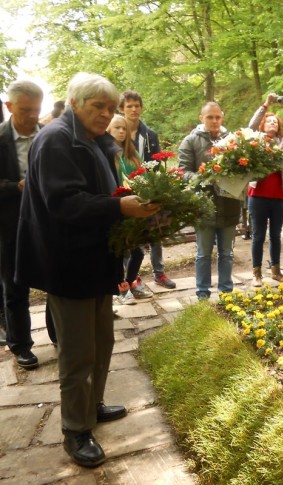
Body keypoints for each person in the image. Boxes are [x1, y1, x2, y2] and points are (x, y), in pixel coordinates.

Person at [16, 72, 158, 467]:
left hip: (95, 258)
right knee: (77, 353)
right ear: (75, 103)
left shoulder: (93, 140)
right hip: (68, 263)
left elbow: (103, 191)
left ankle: (92, 406)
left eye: (111, 108)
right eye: (99, 106)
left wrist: (133, 201)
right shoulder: (56, 140)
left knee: (102, 341)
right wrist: (120, 207)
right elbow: (65, 204)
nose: (106, 114)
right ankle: (75, 431)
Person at [0, 80, 43, 369]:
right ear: (9, 107)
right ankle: (20, 345)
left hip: (47, 222)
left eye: (36, 110)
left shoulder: (50, 136)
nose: (31, 116)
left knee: (58, 280)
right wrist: (17, 186)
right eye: (25, 110)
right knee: (14, 286)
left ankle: (60, 337)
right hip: (9, 225)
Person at [179, 102, 240, 298]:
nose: (214, 121)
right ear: (201, 118)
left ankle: (226, 293)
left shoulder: (233, 140)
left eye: (218, 117)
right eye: (210, 117)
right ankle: (202, 294)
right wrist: (204, 177)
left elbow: (242, 168)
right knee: (203, 254)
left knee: (227, 254)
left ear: (222, 117)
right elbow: (182, 172)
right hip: (203, 205)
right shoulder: (190, 141)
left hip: (229, 203)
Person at [119, 90, 177, 290]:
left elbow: (158, 162)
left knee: (155, 232)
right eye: (129, 106)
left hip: (149, 189)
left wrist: (157, 186)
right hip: (125, 192)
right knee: (130, 238)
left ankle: (159, 272)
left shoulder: (150, 135)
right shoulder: (118, 133)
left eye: (137, 105)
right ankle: (132, 278)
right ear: (122, 109)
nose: (134, 109)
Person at [247, 93, 283, 286]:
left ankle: (276, 271)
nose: (272, 124)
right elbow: (250, 127)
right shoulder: (255, 140)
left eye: (275, 123)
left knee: (275, 235)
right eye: (268, 122)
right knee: (258, 235)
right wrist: (266, 106)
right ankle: (256, 273)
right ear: (263, 125)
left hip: (279, 196)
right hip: (258, 196)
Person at [106, 114, 154, 304]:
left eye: (124, 128)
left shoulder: (133, 155)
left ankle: (130, 282)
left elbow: (142, 178)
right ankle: (121, 290)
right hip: (117, 208)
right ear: (108, 131)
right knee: (118, 253)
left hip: (134, 207)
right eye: (116, 128)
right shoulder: (108, 155)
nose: (121, 131)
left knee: (138, 251)